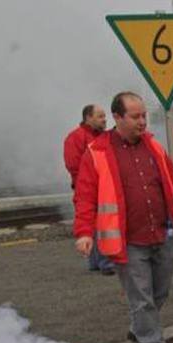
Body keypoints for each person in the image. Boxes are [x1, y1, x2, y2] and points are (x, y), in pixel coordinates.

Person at [73, 92, 173, 343]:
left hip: (162, 233)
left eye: (144, 116)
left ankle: (140, 327)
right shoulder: (98, 153)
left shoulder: (153, 146)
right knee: (141, 295)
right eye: (136, 116)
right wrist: (83, 232)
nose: (143, 122)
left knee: (159, 292)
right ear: (118, 117)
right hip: (129, 241)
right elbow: (85, 196)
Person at [63, 104, 114, 275]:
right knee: (100, 224)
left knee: (98, 224)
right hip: (89, 186)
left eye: (104, 116)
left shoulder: (102, 137)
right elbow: (74, 165)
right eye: (100, 116)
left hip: (101, 185)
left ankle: (97, 262)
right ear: (88, 118)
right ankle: (104, 262)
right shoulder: (75, 137)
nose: (104, 119)